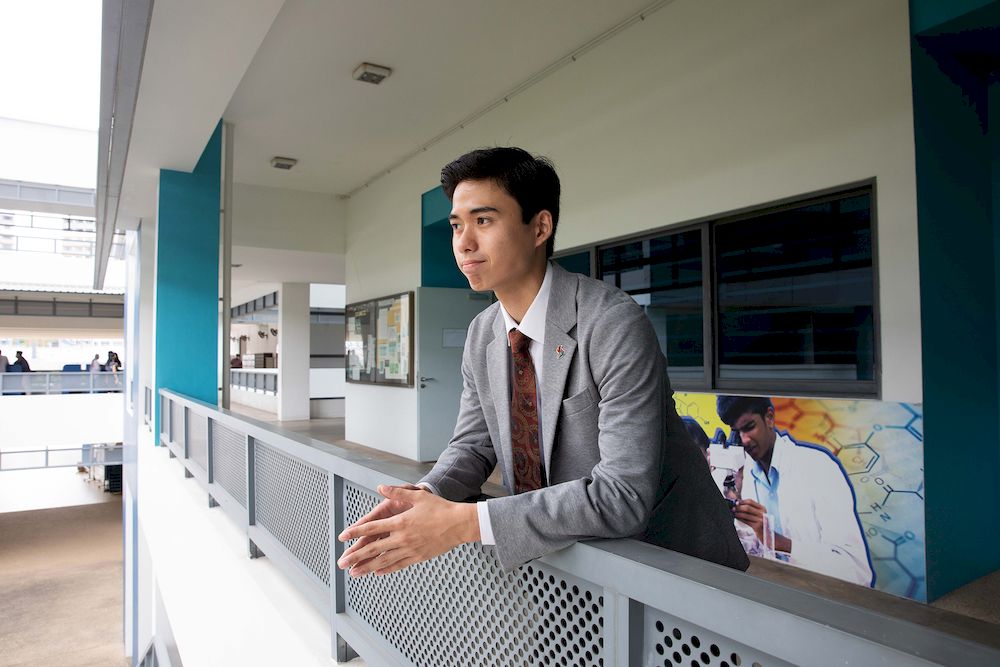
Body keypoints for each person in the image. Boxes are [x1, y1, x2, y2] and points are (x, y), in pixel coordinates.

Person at [337, 147, 747, 577]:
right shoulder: (482, 334)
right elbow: (474, 444)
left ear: (539, 227)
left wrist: (463, 523)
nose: (463, 241)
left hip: (669, 564)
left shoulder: (612, 323)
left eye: (483, 220)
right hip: (564, 561)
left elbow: (623, 495)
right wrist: (426, 495)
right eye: (457, 225)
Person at [716, 395, 874, 585]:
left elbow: (857, 571)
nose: (745, 440)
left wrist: (777, 541)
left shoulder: (818, 467)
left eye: (749, 427)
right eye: (736, 432)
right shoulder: (744, 474)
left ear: (769, 418)